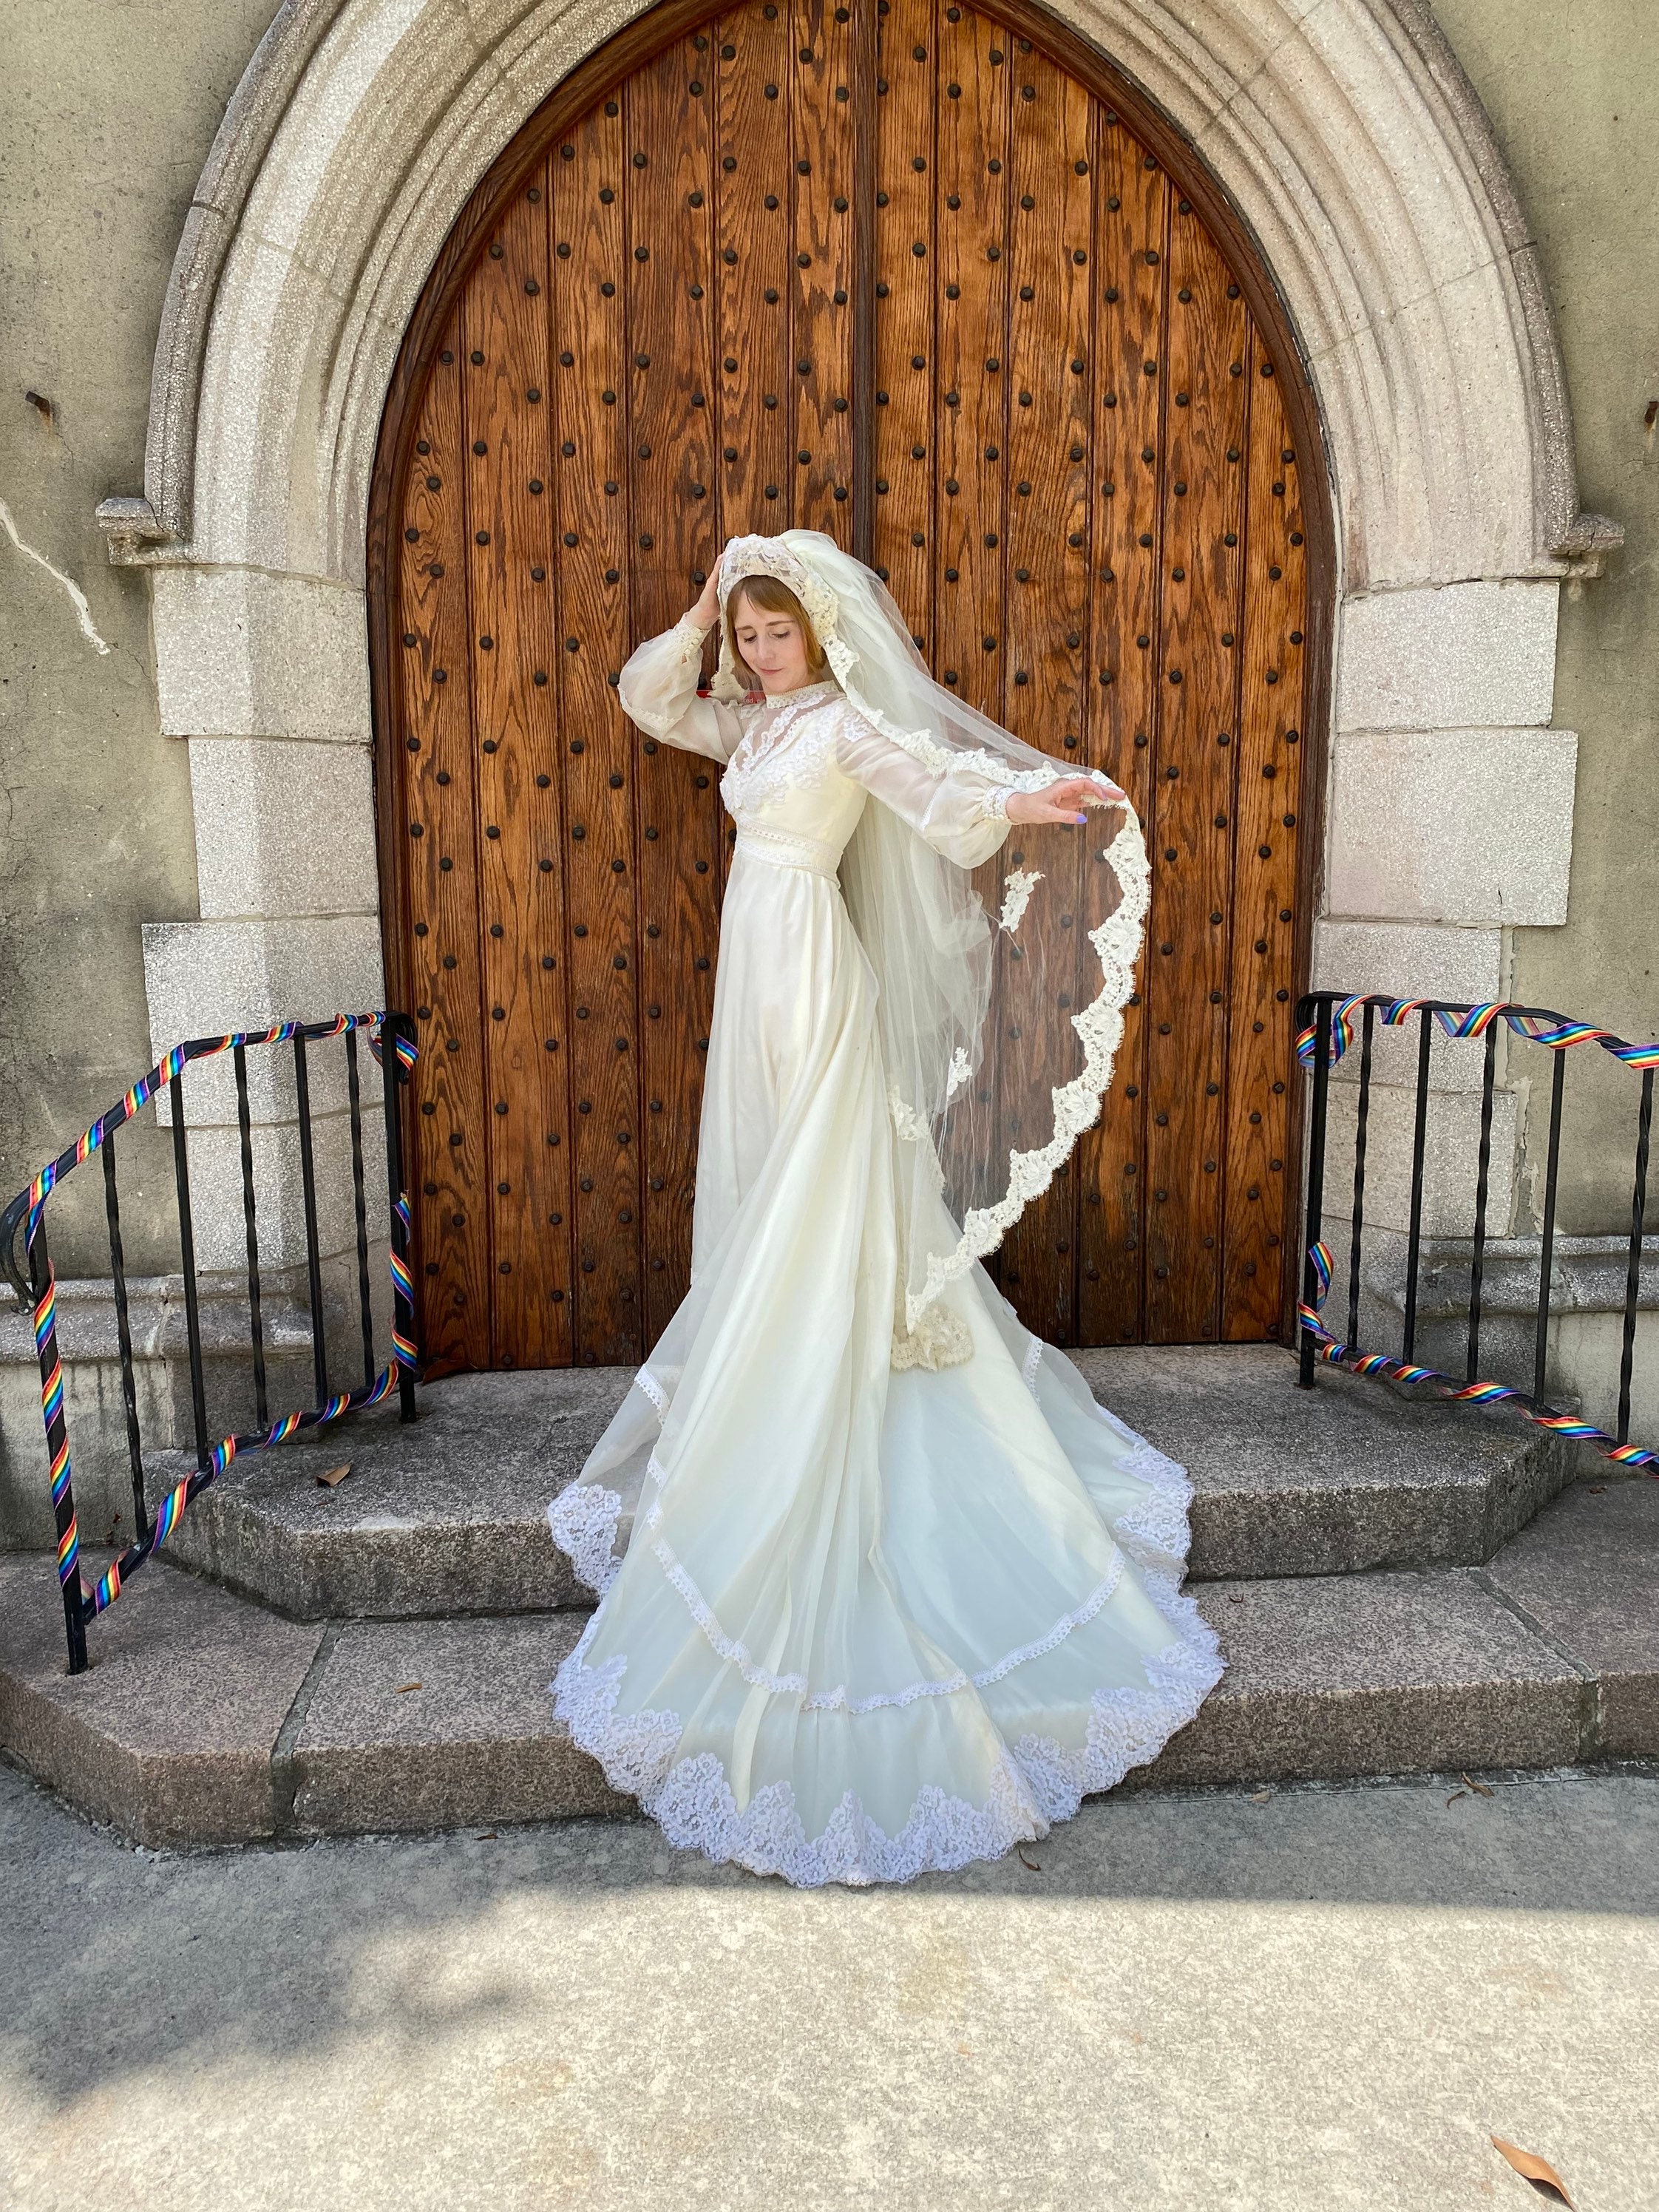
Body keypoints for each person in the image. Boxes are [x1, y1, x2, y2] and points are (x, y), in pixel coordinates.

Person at [547, 529, 1223, 1885]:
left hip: (816, 971)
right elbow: (645, 698)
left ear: (819, 631)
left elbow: (940, 793)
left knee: (825, 1181)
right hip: (756, 967)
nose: (755, 651)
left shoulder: (846, 728)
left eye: (772, 631)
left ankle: (830, 1367)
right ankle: (789, 1345)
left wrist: (1037, 798)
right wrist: (697, 614)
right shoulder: (746, 724)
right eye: (747, 635)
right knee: (762, 1183)